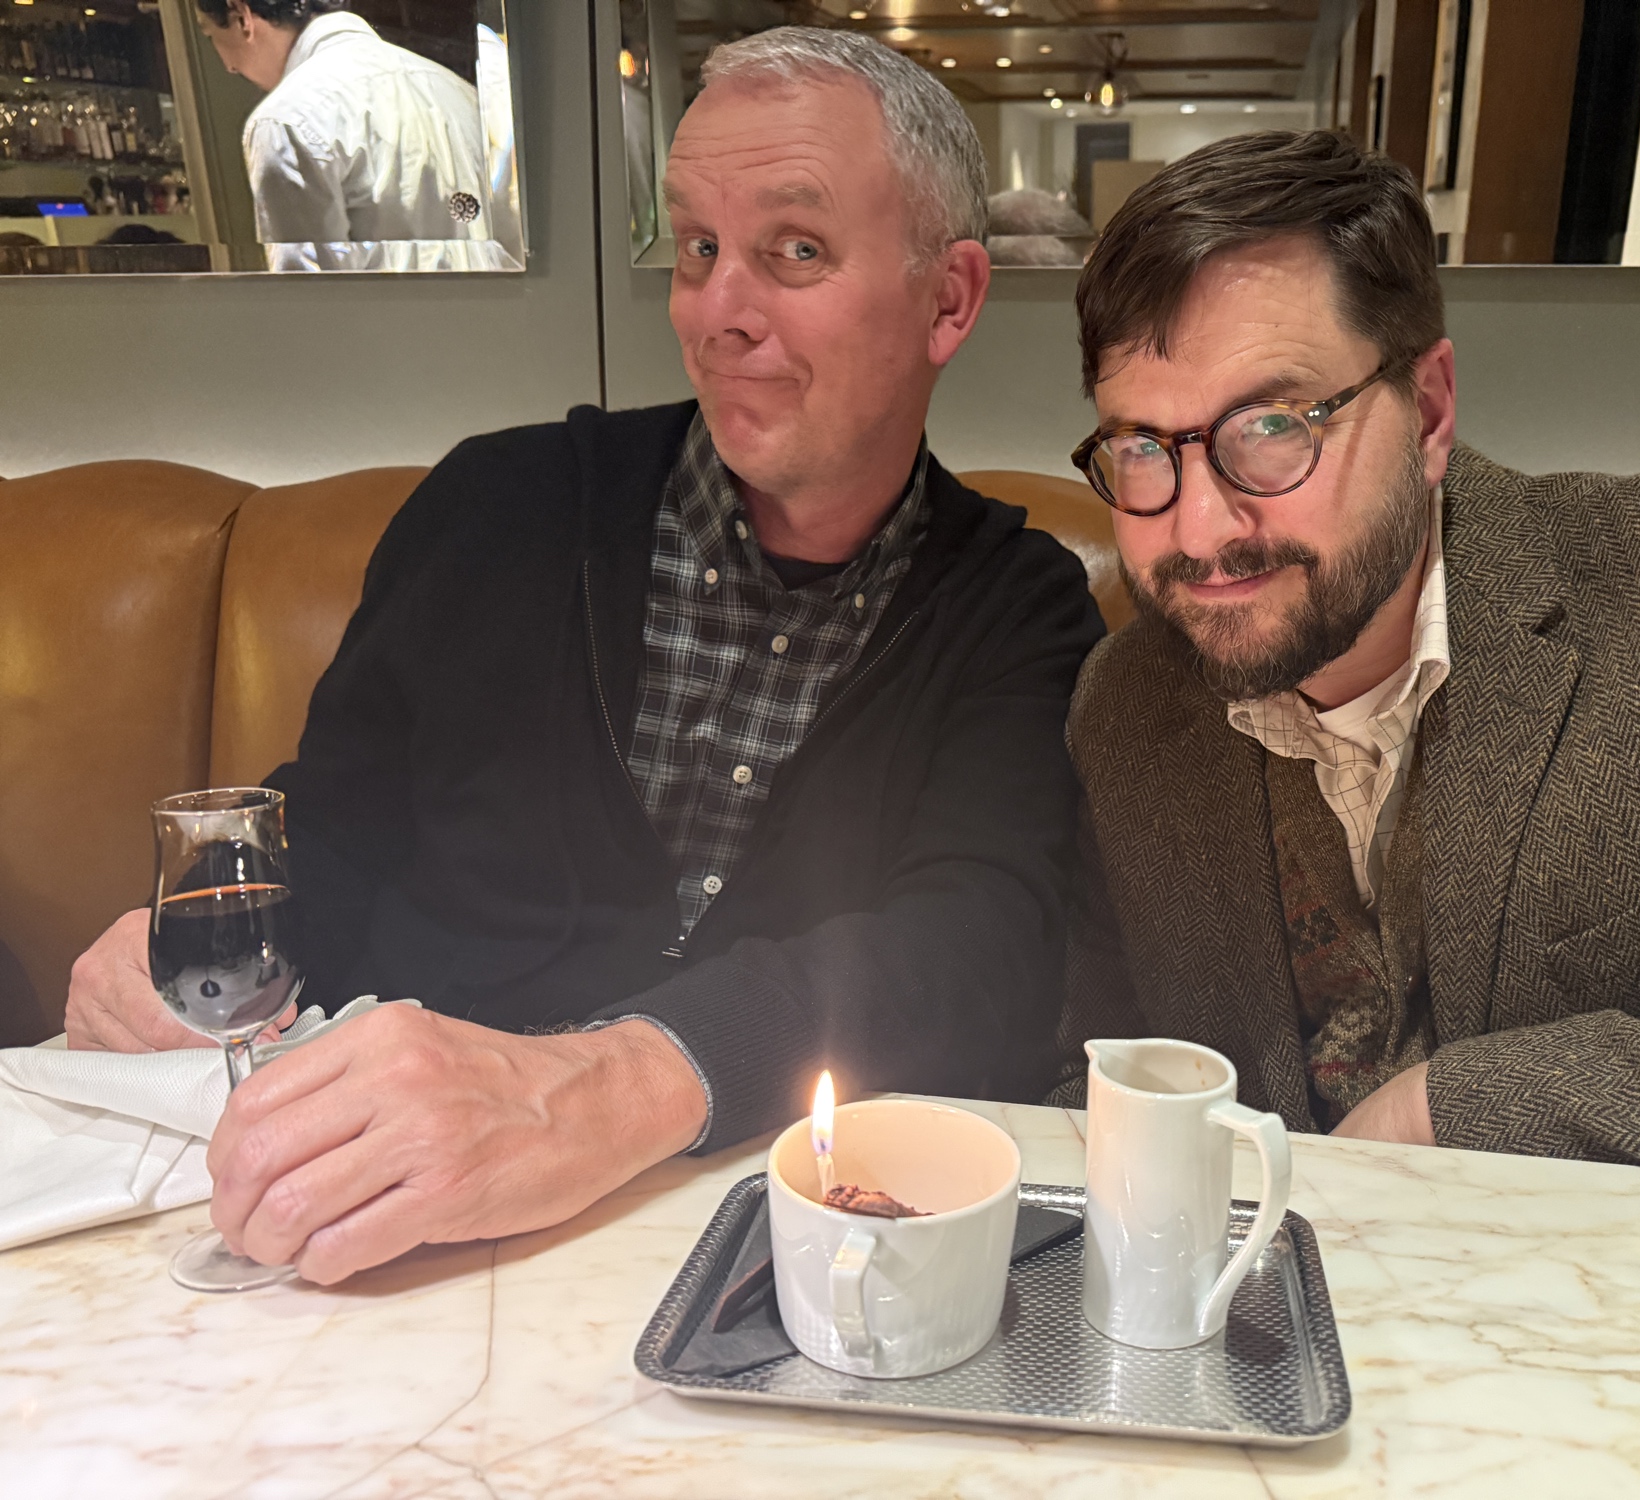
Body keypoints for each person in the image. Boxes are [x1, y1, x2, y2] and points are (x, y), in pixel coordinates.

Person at [66, 30, 1102, 1281]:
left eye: (796, 251)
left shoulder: (1015, 604)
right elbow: (337, 820)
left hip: (781, 1235)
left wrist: (611, 1086)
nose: (720, 312)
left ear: (949, 300)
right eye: (700, 248)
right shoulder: (498, 506)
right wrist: (191, 938)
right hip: (382, 1227)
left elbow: (979, 946)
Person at [1055, 130, 1640, 1223]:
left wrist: (1451, 1111)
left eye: (1271, 427)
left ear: (1429, 413)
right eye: (1142, 448)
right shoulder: (1127, 704)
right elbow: (1093, 1076)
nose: (1199, 529)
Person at [193, 0, 503, 270]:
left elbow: (309, 297)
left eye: (210, 35)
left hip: (388, 322)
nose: (229, 66)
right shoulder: (458, 92)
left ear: (241, 15)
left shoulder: (285, 119)